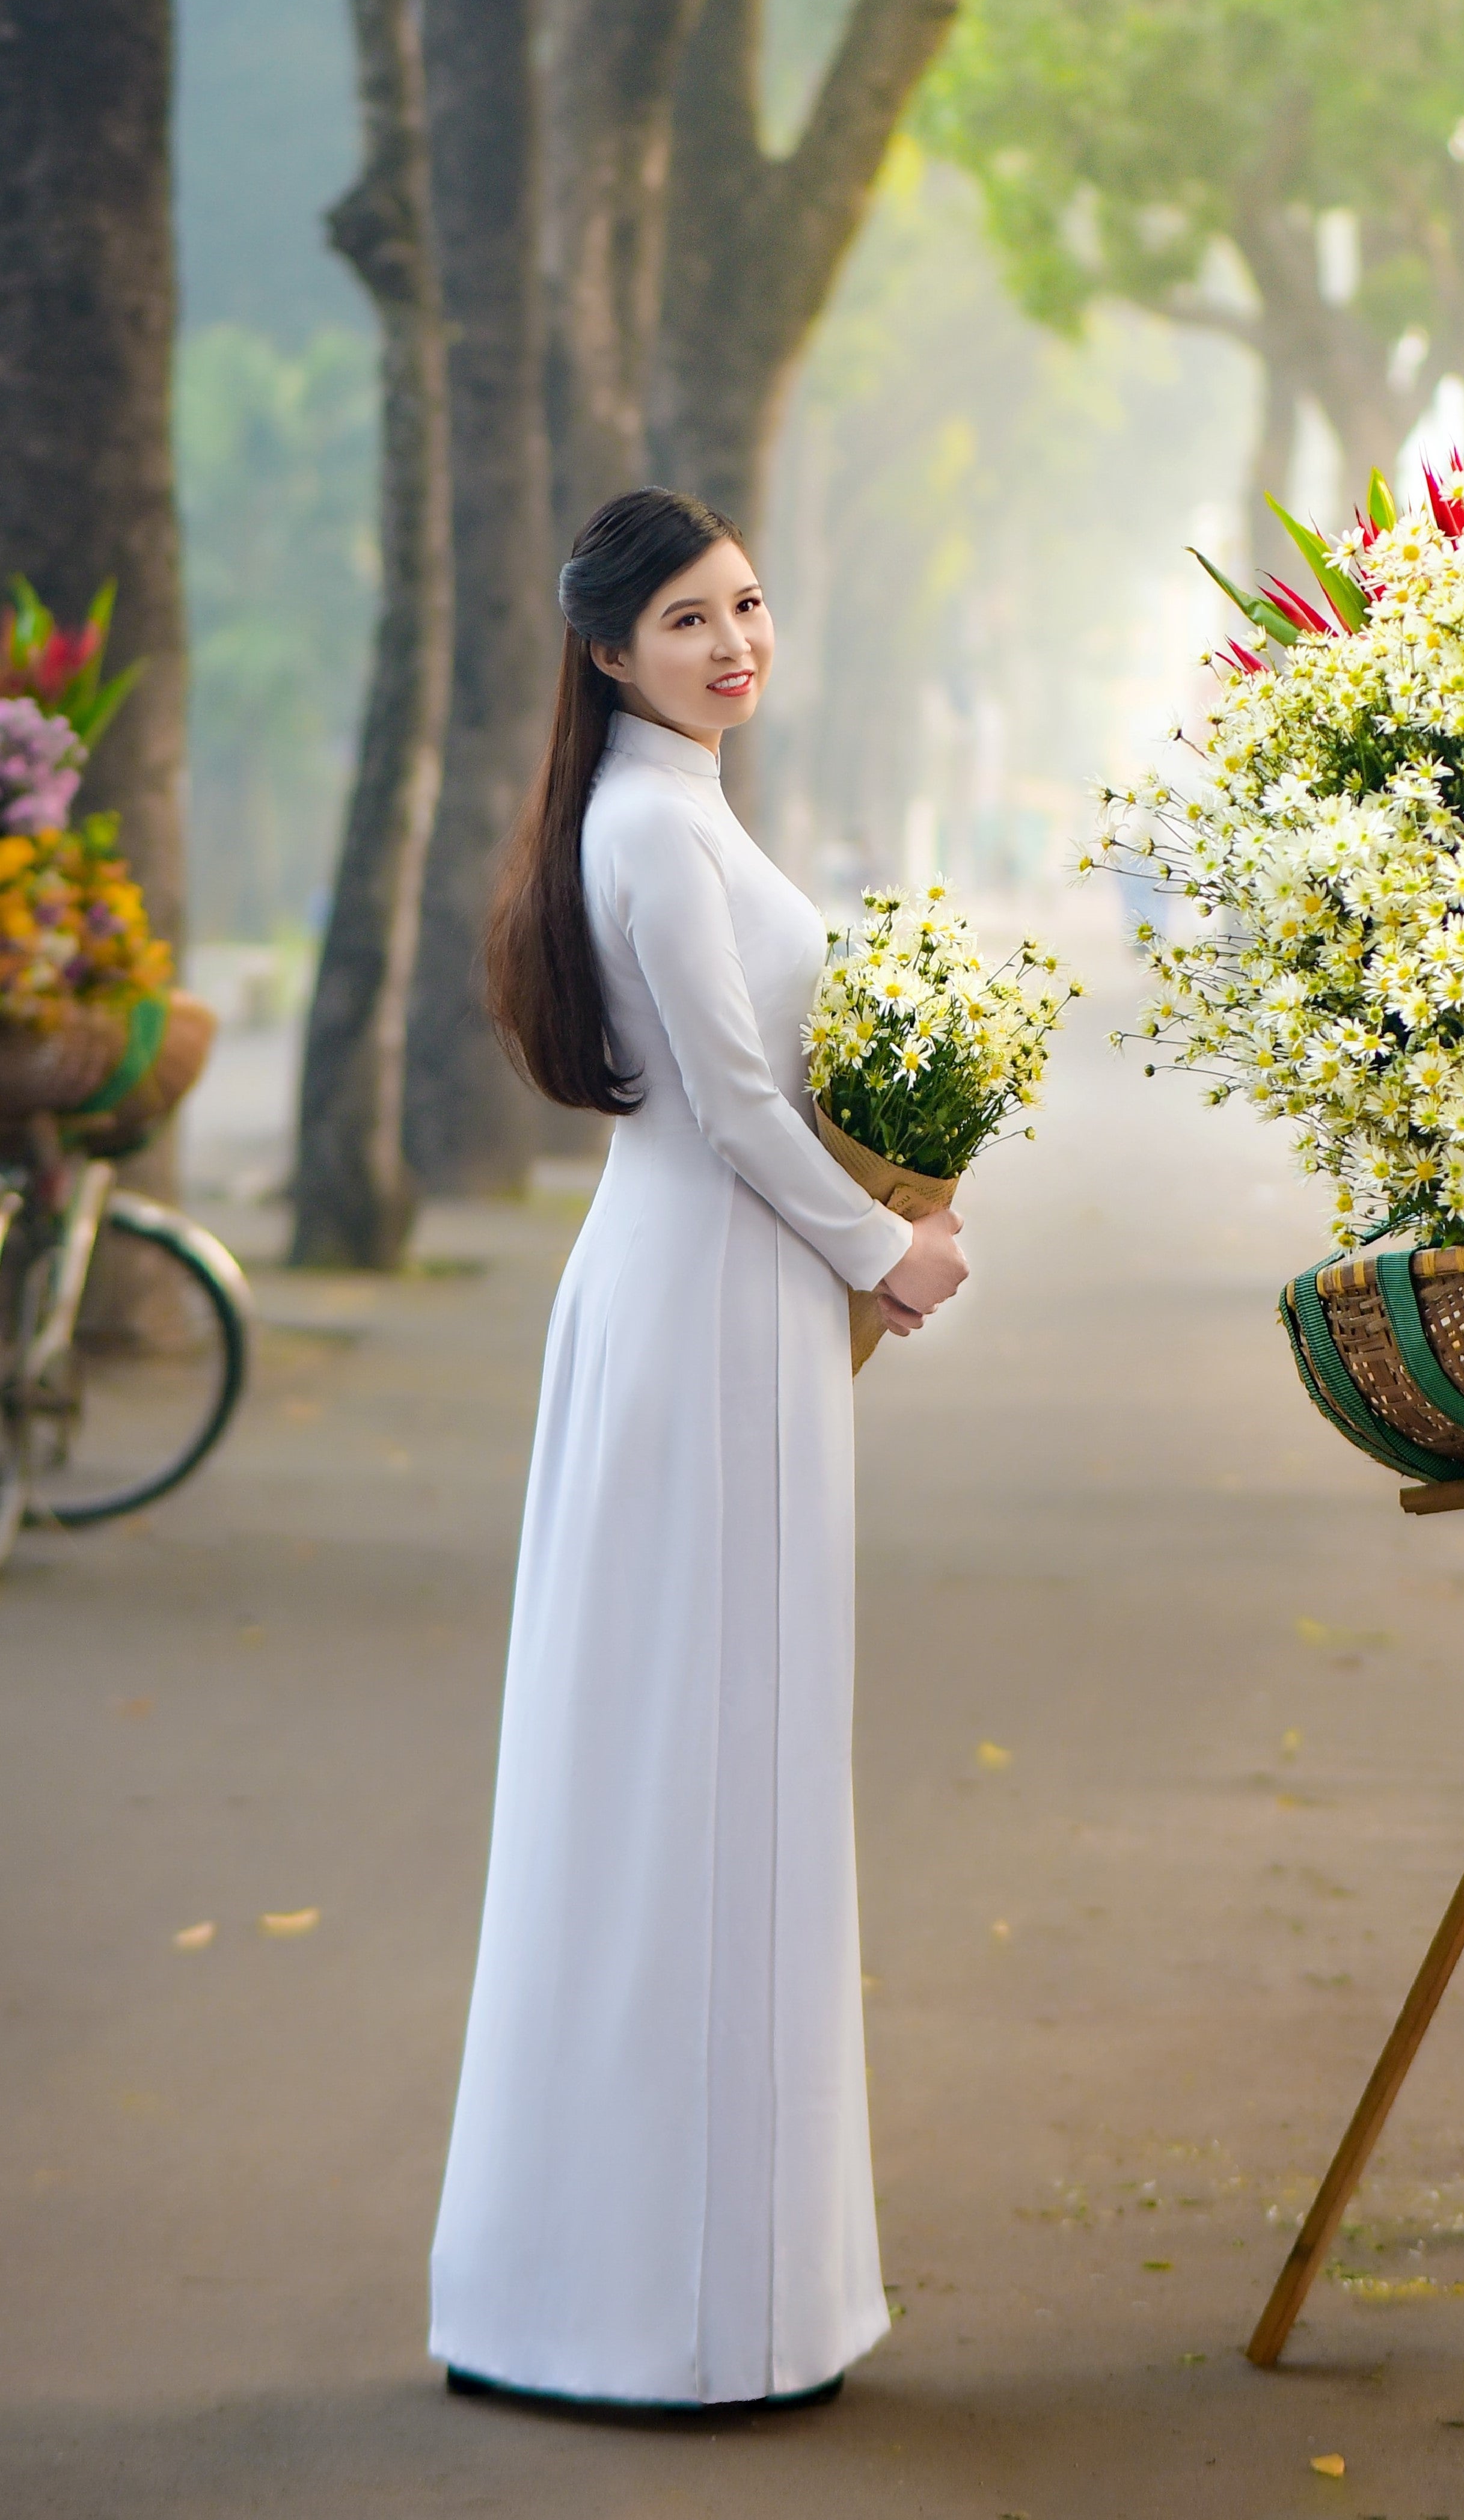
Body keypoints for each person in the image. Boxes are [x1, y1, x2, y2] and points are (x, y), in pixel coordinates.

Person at [429, 488, 968, 2409]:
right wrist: (888, 1249)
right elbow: (735, 1103)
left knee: (691, 1772)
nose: (734, 643)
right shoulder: (652, 821)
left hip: (712, 1309)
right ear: (605, 652)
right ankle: (678, 2314)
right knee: (706, 1775)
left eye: (745, 604)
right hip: (712, 1316)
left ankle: (655, 2290)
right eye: (685, 620)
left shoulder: (673, 807)